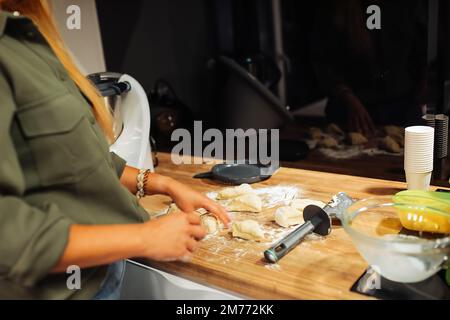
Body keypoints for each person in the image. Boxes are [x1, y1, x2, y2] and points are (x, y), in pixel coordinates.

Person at [0, 0, 230, 299]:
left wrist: (162, 183)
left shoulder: (25, 37)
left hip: (102, 277)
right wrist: (145, 238)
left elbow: (77, 158)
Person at [311, 0, 428, 136]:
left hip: (403, 106)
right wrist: (346, 96)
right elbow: (322, 59)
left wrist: (424, 82)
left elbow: (423, 48)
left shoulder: (410, 5)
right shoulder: (335, 6)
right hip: (350, 111)